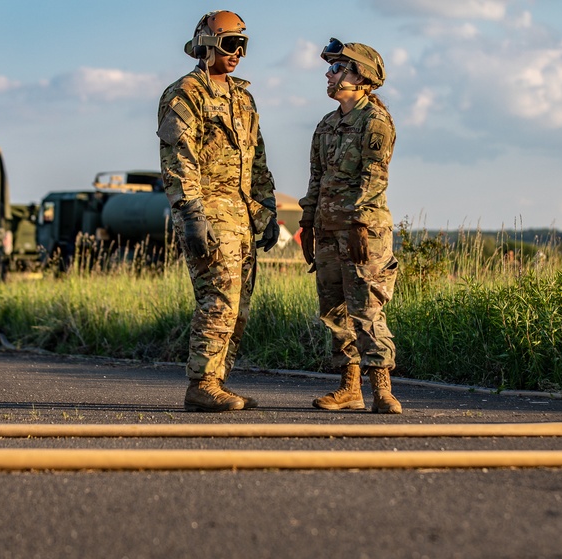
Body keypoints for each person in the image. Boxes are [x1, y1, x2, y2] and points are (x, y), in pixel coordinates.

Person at [157, 10, 280, 412]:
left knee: (240, 304)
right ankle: (202, 382)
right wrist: (191, 216)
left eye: (243, 46)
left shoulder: (243, 97)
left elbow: (256, 160)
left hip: (242, 215)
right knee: (219, 298)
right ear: (207, 45)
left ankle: (218, 382)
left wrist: (267, 212)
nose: (238, 54)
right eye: (230, 45)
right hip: (208, 212)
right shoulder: (185, 94)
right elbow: (179, 159)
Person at [299, 38, 402, 414]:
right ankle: (349, 388)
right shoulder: (326, 125)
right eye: (331, 68)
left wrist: (358, 221)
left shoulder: (375, 121)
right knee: (334, 310)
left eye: (338, 68)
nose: (329, 75)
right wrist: (308, 223)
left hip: (364, 232)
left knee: (367, 307)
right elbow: (316, 177)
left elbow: (375, 177)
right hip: (328, 230)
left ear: (361, 76)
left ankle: (383, 390)